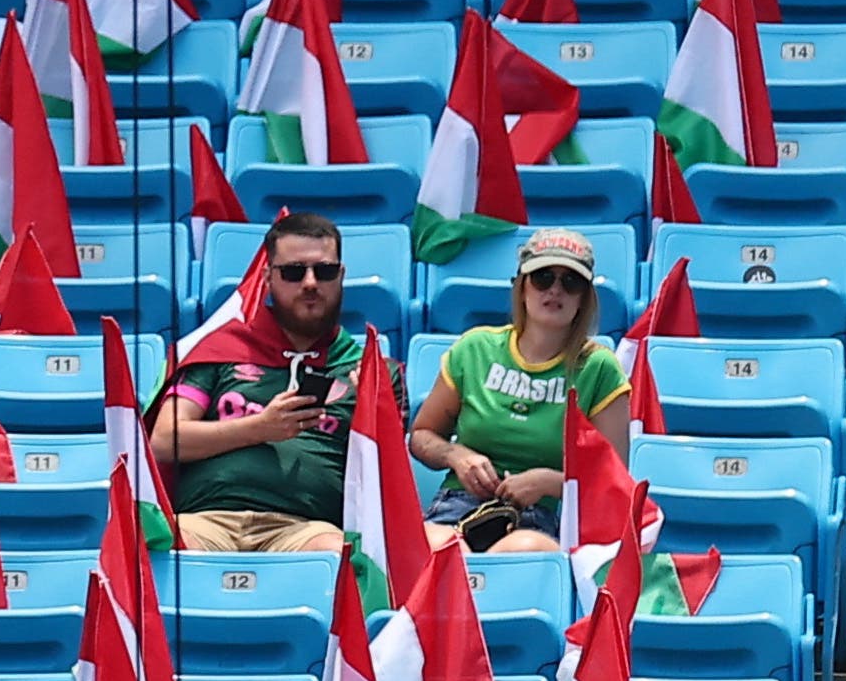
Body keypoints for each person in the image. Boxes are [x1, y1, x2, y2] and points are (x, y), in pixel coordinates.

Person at [153, 213, 393, 554]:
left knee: (345, 559)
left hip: (305, 530)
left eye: (323, 271)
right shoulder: (221, 349)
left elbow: (388, 481)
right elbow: (164, 440)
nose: (310, 283)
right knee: (147, 548)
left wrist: (374, 410)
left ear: (340, 276)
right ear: (267, 278)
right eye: (293, 272)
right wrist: (261, 427)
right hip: (206, 521)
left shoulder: (369, 371)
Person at [410, 227, 630, 554]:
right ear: (522, 286)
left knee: (521, 551)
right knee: (434, 547)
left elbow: (613, 482)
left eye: (570, 282)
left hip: (540, 517)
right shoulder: (475, 348)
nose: (555, 290)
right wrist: (457, 456)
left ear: (584, 298)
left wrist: (548, 482)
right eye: (543, 277)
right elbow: (421, 436)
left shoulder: (599, 368)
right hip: (458, 506)